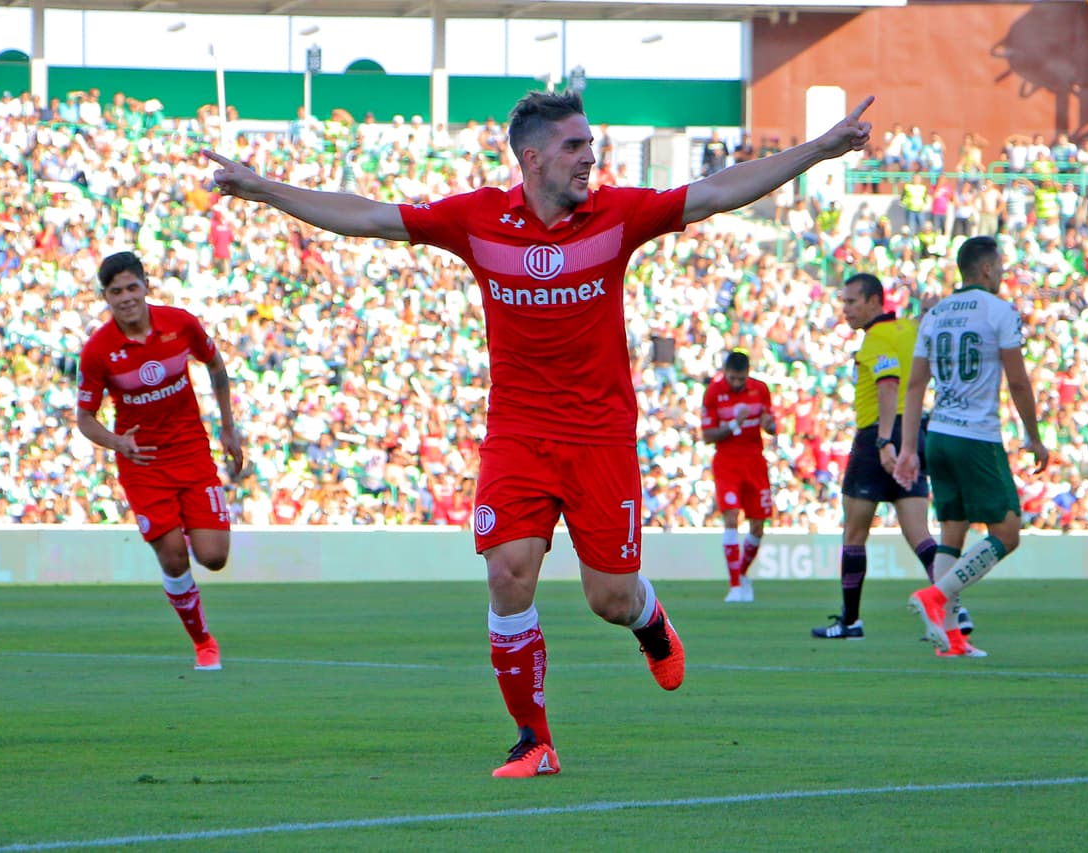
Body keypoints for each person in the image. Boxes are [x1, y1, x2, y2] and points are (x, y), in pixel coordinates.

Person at [205, 90, 874, 777]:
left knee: (608, 597)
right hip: (518, 434)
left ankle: (647, 620)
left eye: (590, 144)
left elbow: (716, 191)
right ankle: (535, 739)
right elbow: (369, 216)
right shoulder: (477, 219)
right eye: (574, 146)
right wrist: (262, 188)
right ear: (532, 158)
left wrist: (821, 148)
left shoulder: (619, 215)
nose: (591, 157)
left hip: (599, 437)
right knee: (507, 574)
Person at [76, 251, 244, 671]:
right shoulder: (98, 351)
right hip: (143, 462)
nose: (127, 298)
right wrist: (118, 442)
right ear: (106, 297)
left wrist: (228, 426)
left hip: (190, 451)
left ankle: (186, 523)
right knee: (172, 558)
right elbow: (84, 419)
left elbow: (215, 365)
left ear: (146, 286)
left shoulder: (179, 324)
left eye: (133, 287)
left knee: (214, 557)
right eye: (116, 292)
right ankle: (203, 642)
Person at [895, 236, 1049, 657]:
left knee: (952, 530)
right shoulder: (999, 311)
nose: (1001, 273)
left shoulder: (936, 313)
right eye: (999, 266)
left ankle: (952, 639)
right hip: (976, 435)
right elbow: (1018, 380)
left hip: (939, 435)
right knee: (1008, 531)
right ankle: (936, 596)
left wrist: (910, 447)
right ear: (985, 269)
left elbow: (914, 385)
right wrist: (1033, 436)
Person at [811, 273, 966, 640]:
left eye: (852, 302)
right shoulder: (909, 331)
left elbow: (888, 383)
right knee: (920, 535)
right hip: (914, 432)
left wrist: (883, 442)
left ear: (875, 301)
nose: (845, 310)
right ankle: (954, 609)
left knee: (854, 532)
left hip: (877, 436)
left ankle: (850, 621)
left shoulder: (875, 339)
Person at [700, 348, 777, 602]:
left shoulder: (761, 390)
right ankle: (734, 585)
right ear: (725, 374)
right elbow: (707, 436)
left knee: (758, 525)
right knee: (731, 517)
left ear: (747, 375)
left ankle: (742, 574)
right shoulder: (713, 392)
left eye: (740, 379)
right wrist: (735, 423)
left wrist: (770, 426)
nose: (736, 383)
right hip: (727, 462)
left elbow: (770, 424)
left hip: (755, 462)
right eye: (732, 378)